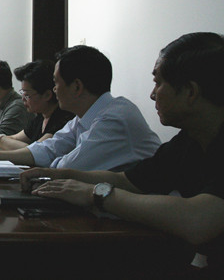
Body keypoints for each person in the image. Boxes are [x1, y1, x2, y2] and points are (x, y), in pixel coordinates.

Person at [21, 33, 224, 275]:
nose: (152, 94)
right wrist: (61, 175)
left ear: (190, 92)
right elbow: (128, 180)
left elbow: (198, 220)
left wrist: (95, 194)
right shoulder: (189, 140)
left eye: (158, 83)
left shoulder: (116, 115)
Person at [0, 46, 160, 171]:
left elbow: (67, 167)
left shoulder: (114, 119)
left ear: (77, 86)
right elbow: (47, 150)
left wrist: (45, 162)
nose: (54, 89)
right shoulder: (83, 118)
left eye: (56, 83)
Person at [0, 60, 74, 150]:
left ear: (47, 95)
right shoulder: (41, 118)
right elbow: (14, 138)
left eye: (27, 95)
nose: (23, 98)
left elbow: (35, 151)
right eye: (22, 93)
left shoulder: (62, 120)